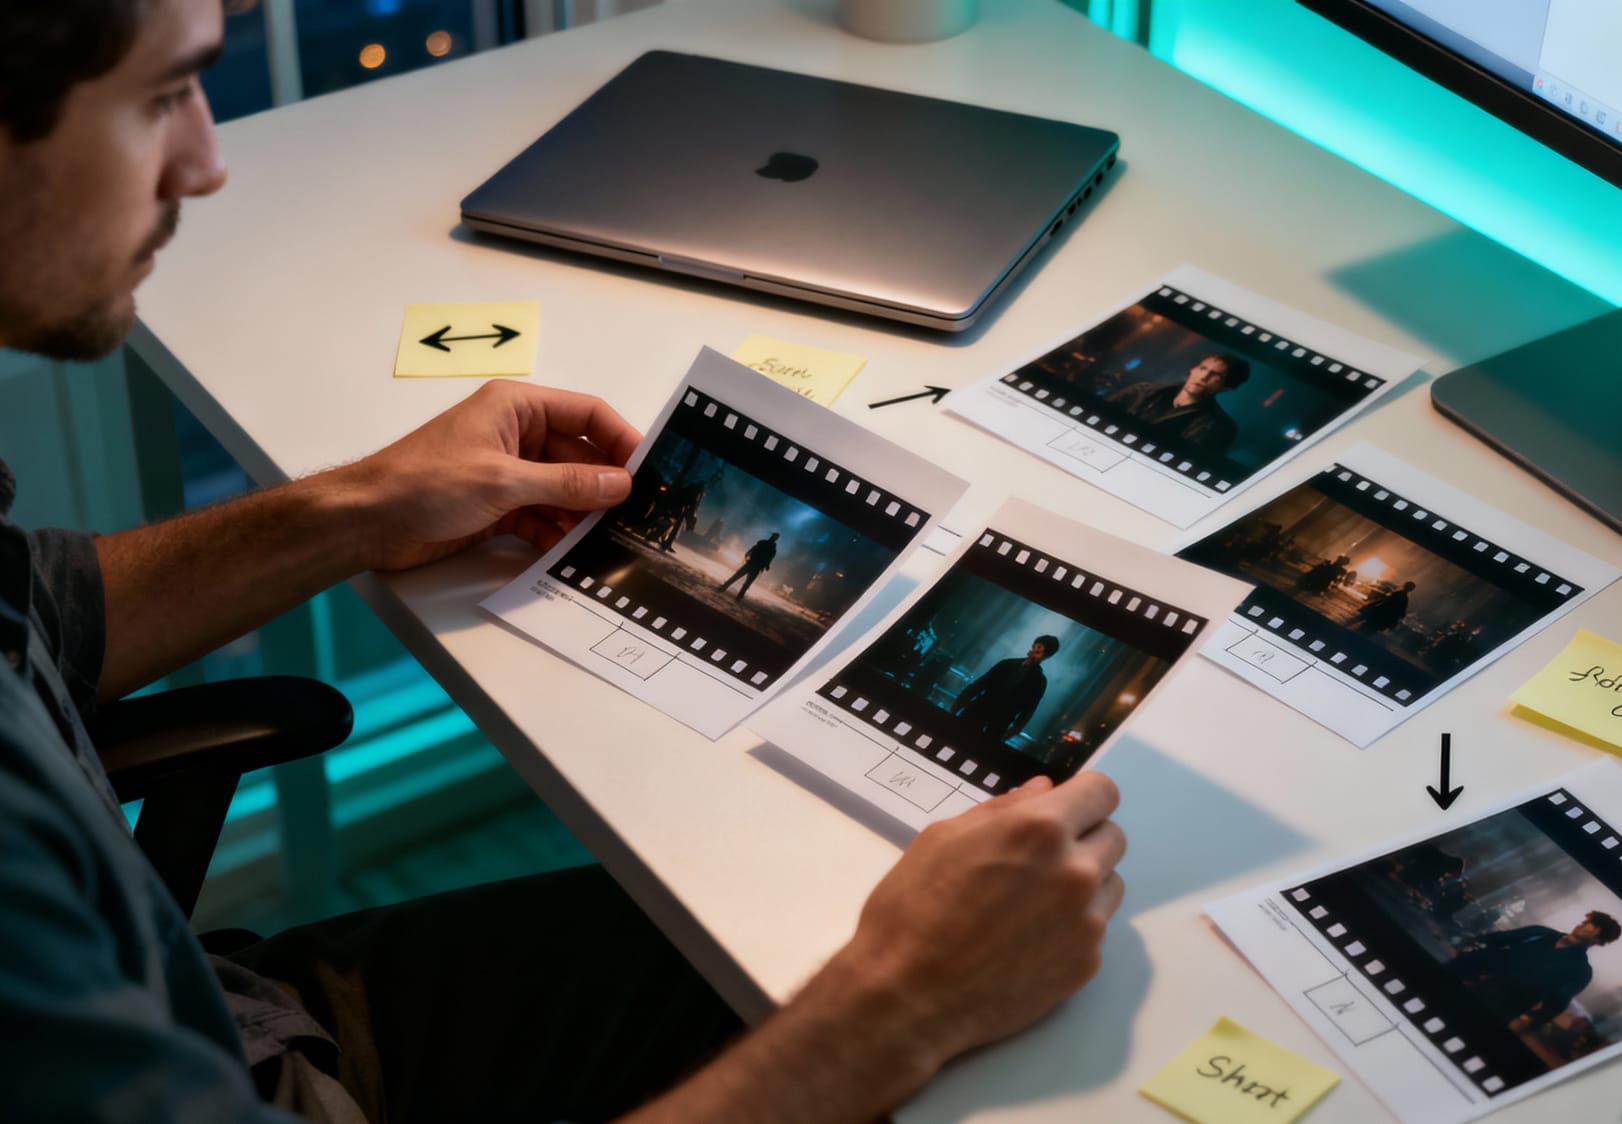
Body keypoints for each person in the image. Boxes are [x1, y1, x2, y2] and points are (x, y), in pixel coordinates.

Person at [0, 2, 1128, 1121]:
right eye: (161, 97)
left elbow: (29, 610)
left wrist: (358, 509)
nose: (205, 165)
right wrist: (903, 1005)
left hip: (209, 1003)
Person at [1448, 911, 1622, 1032]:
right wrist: (1468, 949)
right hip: (1462, 978)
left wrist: (1527, 1021)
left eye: (1590, 926)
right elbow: (1497, 939)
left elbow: (1555, 1005)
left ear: (1599, 940)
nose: (1581, 925)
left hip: (1494, 1008)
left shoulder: (1580, 972)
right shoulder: (1540, 933)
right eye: (1585, 922)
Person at [1103, 352, 1249, 458]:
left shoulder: (1221, 427)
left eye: (1216, 375)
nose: (1204, 377)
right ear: (1193, 369)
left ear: (1226, 387)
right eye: (1203, 368)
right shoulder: (1141, 391)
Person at [954, 634, 1060, 740]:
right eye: (1035, 649)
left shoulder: (1038, 680)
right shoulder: (1009, 665)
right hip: (981, 712)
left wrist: (1016, 728)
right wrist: (958, 703)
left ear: (1046, 656)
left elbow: (1029, 709)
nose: (1034, 654)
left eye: (1039, 652)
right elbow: (980, 684)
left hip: (997, 721)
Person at [718, 531, 779, 600]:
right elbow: (767, 558)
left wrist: (748, 554)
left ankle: (726, 588)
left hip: (752, 564)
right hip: (755, 566)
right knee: (744, 581)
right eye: (773, 536)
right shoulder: (770, 547)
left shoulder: (764, 544)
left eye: (773, 537)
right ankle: (737, 595)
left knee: (739, 578)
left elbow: (756, 551)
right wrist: (766, 565)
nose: (772, 538)